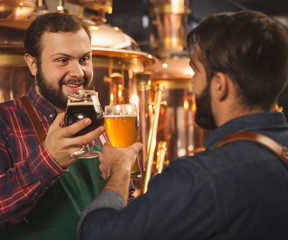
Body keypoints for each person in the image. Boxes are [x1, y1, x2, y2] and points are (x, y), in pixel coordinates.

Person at [78, 10, 288, 240]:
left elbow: (99, 235)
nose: (192, 82)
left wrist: (118, 172)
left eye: (196, 70)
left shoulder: (201, 177)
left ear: (220, 85)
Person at [0, 12, 128, 239]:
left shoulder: (102, 124)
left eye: (84, 59)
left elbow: (123, 202)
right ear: (33, 64)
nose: (77, 72)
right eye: (63, 60)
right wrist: (48, 160)